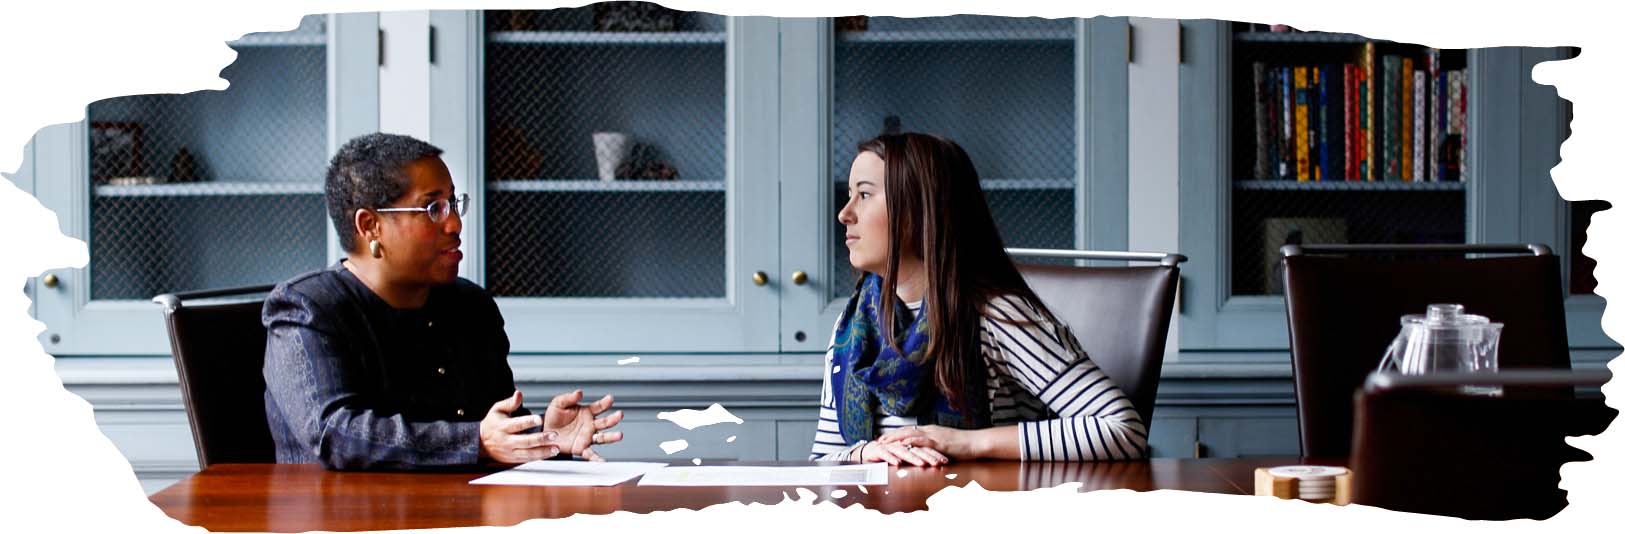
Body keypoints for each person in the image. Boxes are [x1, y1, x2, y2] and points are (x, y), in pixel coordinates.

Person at [263, 133, 624, 470]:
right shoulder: (308, 308)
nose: (454, 224)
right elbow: (334, 433)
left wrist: (545, 438)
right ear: (370, 225)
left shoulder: (470, 306)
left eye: (452, 203)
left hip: (463, 512)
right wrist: (477, 441)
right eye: (433, 208)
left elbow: (493, 429)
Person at [810, 133, 1148, 465]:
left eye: (865, 195)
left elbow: (1122, 429)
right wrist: (863, 453)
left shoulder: (996, 315)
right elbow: (821, 460)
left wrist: (966, 443)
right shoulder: (854, 326)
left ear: (919, 209)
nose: (845, 213)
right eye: (851, 194)